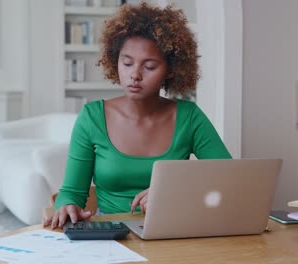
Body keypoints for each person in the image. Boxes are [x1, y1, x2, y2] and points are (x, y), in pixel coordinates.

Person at [45, 2, 232, 229]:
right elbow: (71, 192)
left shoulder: (189, 117)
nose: (135, 74)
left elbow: (228, 177)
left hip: (172, 229)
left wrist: (173, 190)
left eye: (150, 66)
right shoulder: (92, 117)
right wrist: (66, 206)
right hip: (111, 233)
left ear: (171, 70)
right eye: (127, 63)